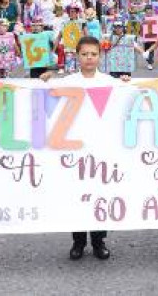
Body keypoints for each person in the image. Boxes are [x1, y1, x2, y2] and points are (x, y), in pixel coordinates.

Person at [39, 36, 114, 261]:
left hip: (100, 147)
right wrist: (44, 79)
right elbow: (42, 89)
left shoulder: (109, 80)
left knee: (99, 193)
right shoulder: (68, 80)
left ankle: (99, 240)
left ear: (100, 56)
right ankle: (78, 241)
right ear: (77, 56)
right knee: (77, 194)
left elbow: (134, 91)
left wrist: (129, 82)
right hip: (74, 148)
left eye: (93, 54)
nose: (89, 58)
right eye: (84, 54)